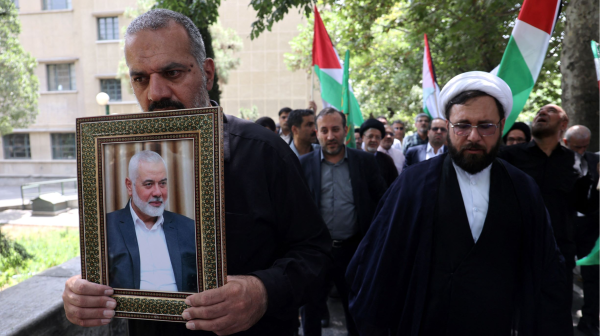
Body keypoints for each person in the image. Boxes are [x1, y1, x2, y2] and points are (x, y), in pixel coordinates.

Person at [62, 9, 332, 336]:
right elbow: (109, 267)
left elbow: (316, 254)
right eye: (140, 78)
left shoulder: (265, 153)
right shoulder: (112, 158)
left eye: (172, 72)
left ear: (207, 73)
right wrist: (83, 290)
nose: (156, 92)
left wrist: (262, 291)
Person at [347, 71, 572, 336]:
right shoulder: (414, 184)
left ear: (501, 126)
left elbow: (546, 272)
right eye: (463, 125)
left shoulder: (523, 188)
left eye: (486, 126)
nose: (474, 136)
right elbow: (379, 265)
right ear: (448, 126)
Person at [498, 104, 600, 306]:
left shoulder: (577, 161)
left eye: (550, 111)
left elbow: (585, 206)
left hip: (559, 254)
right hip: (516, 252)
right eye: (538, 111)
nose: (541, 113)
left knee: (555, 315)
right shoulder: (509, 157)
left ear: (563, 124)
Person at [298, 107, 388, 336]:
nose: (330, 136)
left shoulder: (365, 162)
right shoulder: (303, 165)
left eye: (336, 129)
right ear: (316, 132)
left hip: (354, 251)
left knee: (356, 311)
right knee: (311, 312)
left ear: (346, 131)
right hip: (317, 253)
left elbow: (383, 203)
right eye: (325, 130)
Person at [106, 150, 197, 292]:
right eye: (149, 184)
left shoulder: (189, 228)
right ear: (130, 186)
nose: (157, 192)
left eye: (162, 184)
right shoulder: (106, 227)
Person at [563, 125, 600, 336]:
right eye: (577, 147)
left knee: (593, 276)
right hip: (566, 225)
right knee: (563, 275)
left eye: (585, 147)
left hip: (591, 227)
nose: (581, 151)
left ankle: (590, 321)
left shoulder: (595, 161)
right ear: (566, 143)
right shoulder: (558, 160)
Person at [361, 118, 398, 187]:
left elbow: (394, 186)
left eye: (377, 137)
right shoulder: (354, 158)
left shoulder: (387, 160)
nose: (374, 140)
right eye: (370, 136)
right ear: (363, 137)